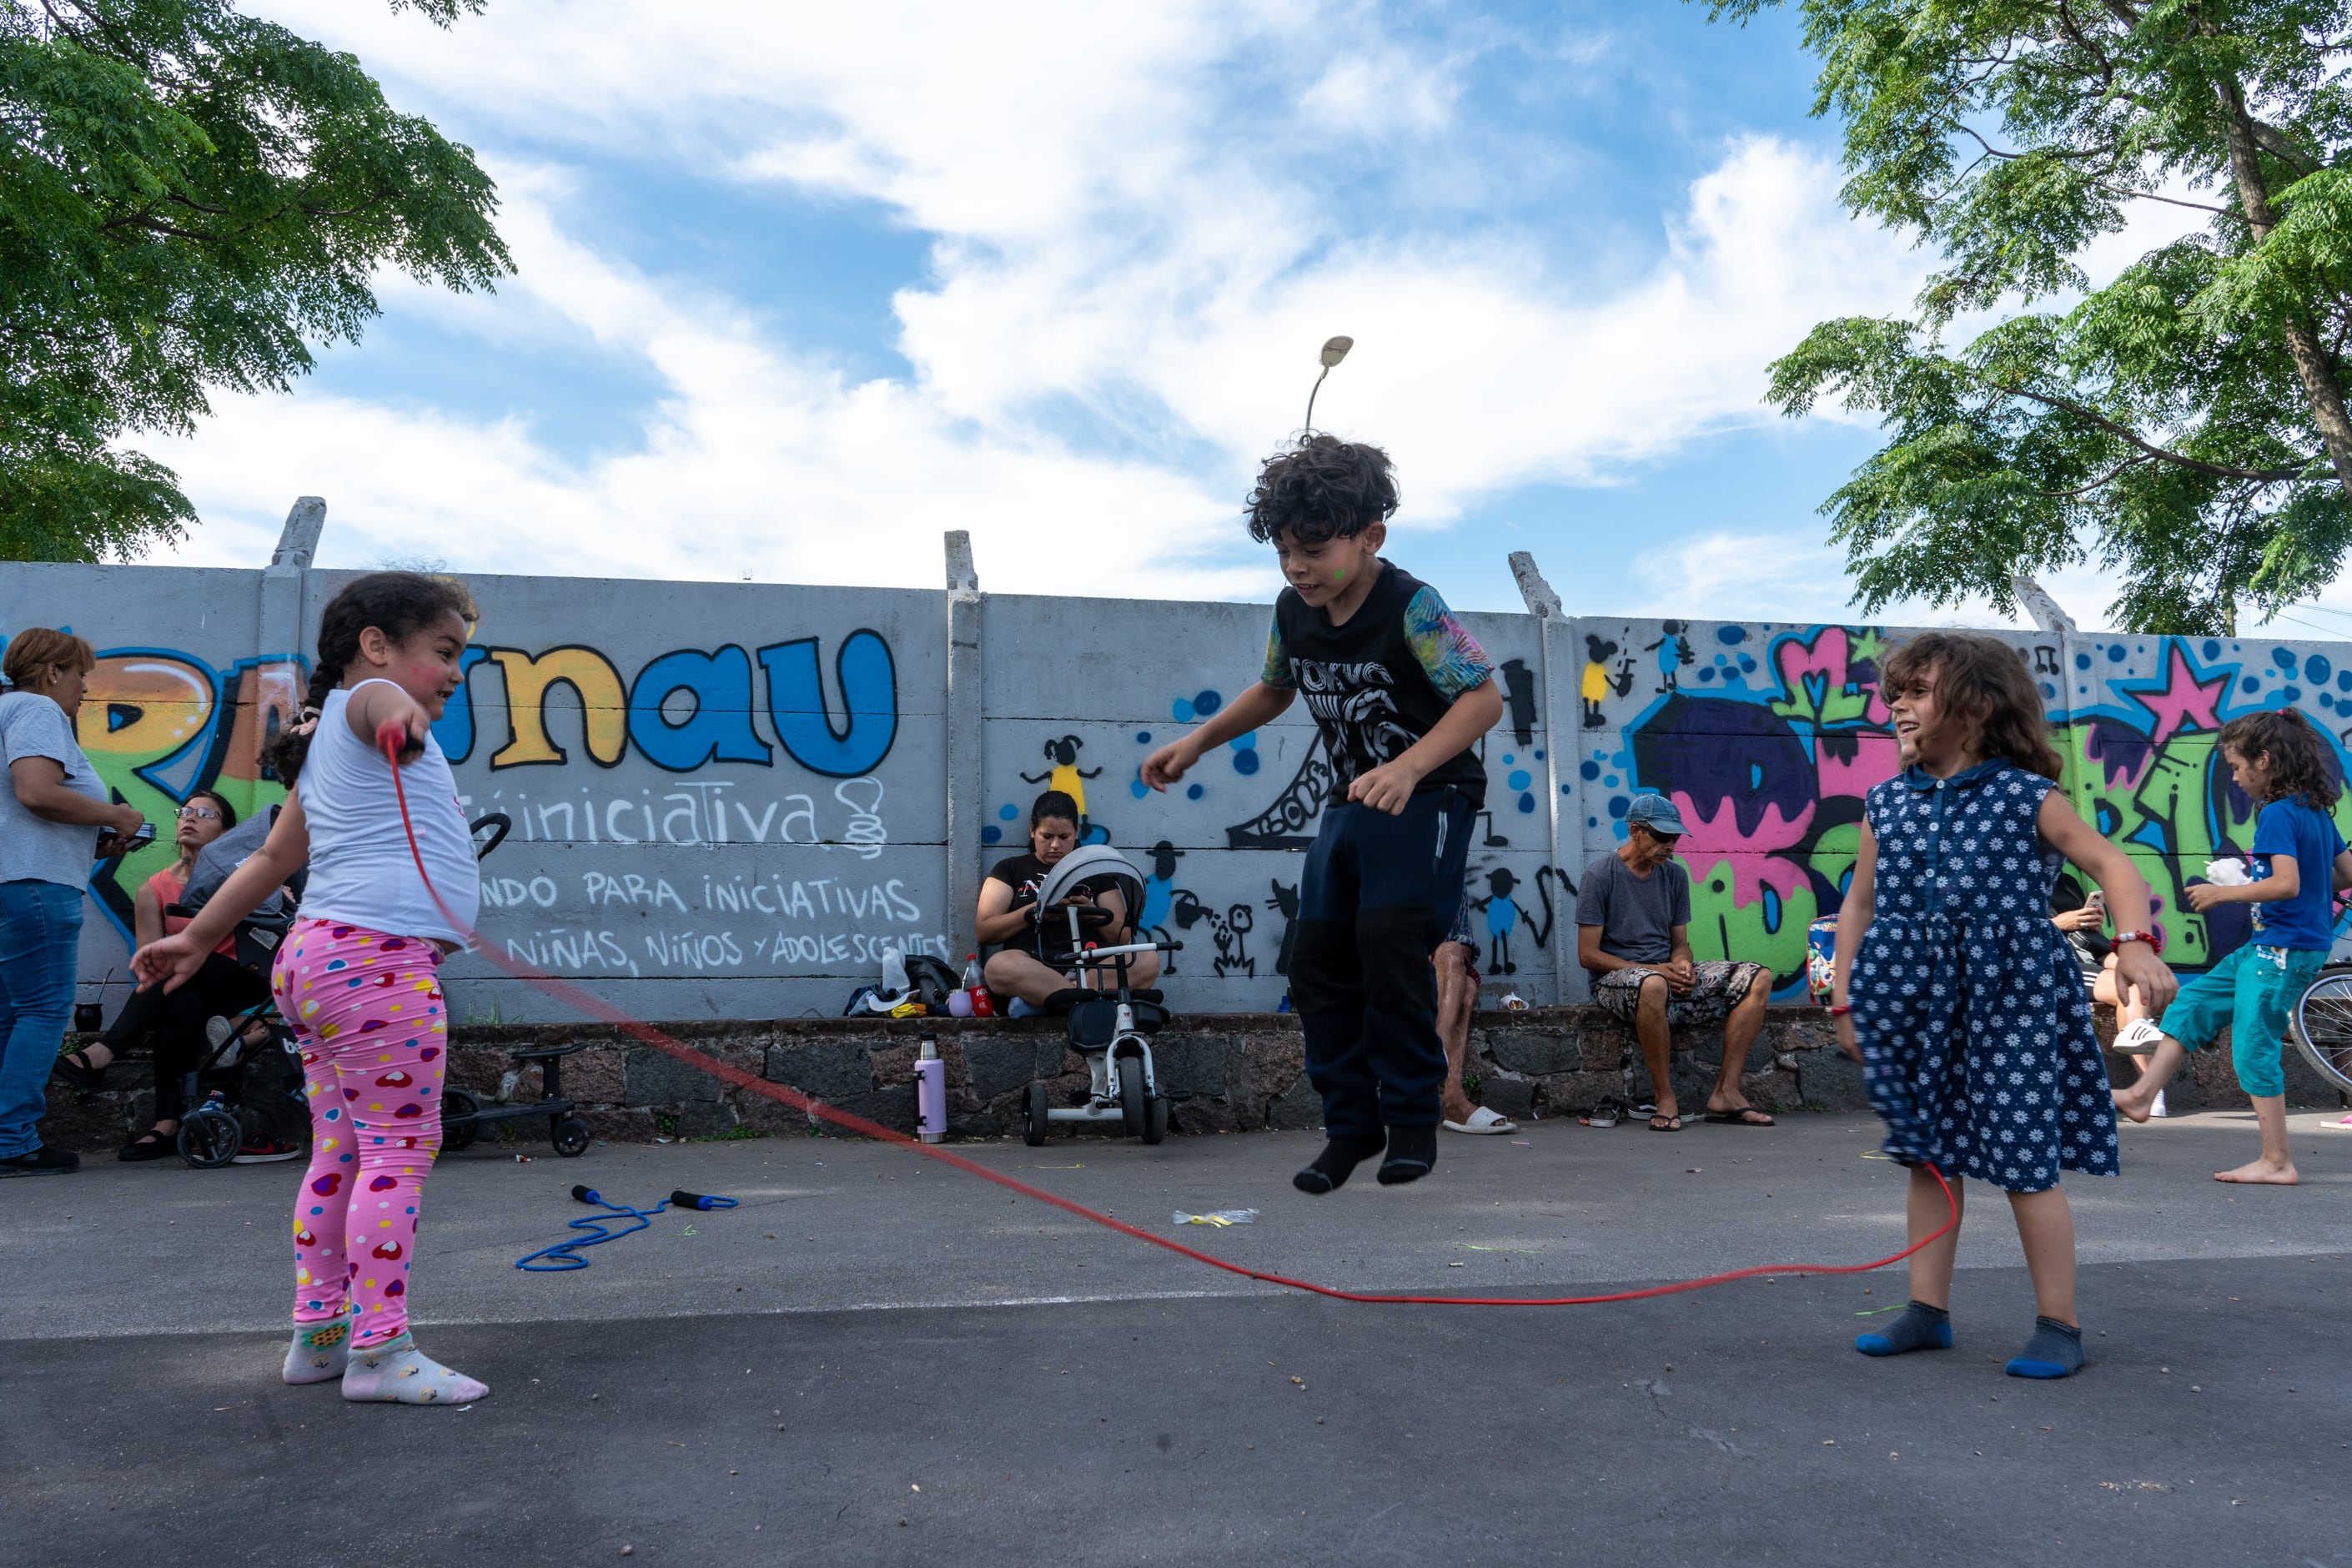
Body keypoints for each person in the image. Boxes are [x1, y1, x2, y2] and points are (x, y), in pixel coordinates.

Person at [134, 571, 489, 1405]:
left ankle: (320, 1333)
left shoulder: (328, 738)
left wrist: (196, 931)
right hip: (376, 964)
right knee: (398, 1153)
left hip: (319, 959)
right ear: (376, 644)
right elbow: (380, 705)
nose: (455, 671)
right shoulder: (370, 704)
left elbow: (270, 857)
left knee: (343, 1151)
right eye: (444, 652)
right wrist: (398, 716)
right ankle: (380, 1352)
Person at [1143, 434, 1504, 1194]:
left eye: (1312, 550)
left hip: (1429, 795)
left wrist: (1409, 765)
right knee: (1315, 960)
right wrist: (1199, 741)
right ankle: (1351, 1125)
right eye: (1282, 552)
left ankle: (1412, 1121)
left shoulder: (1412, 605)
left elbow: (1482, 698)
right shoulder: (1293, 610)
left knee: (1388, 939)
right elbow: (1276, 688)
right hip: (1353, 802)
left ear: (1371, 536)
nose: (1296, 568)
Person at [1831, 632, 2174, 1380]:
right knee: (1927, 1158)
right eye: (1895, 694)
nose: (1899, 706)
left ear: (1977, 706)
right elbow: (1859, 902)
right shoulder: (1885, 803)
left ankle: (2060, 1324)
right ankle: (1927, 1312)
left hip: (2011, 996)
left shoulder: (2025, 795)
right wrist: (1843, 991)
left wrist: (2135, 942)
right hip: (1914, 995)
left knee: (2024, 1161)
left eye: (1918, 691)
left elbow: (2112, 862)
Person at [2112, 709, 2352, 1185]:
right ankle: (2142, 1096)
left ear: (2265, 761)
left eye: (2238, 767)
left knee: (2252, 1047)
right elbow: (2346, 874)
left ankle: (2277, 1161)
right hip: (2271, 947)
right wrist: (2305, 889)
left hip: (2280, 951)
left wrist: (2223, 892)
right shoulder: (2312, 809)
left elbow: (2283, 884)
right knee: (2195, 1001)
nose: (2236, 779)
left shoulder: (2279, 813)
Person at [52, 789, 295, 1162]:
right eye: (186, 811)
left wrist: (276, 895)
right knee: (181, 1000)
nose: (191, 817)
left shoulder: (252, 877)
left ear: (228, 833)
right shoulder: (153, 889)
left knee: (183, 966)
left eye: (206, 814)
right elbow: (149, 963)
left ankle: (105, 1052)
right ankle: (167, 1123)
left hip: (243, 984)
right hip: (187, 985)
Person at [0, 630, 147, 1177]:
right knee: (41, 1013)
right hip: (35, 888)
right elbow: (36, 793)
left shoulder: (7, 710)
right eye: (81, 674)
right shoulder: (38, 709)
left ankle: (6, 1134)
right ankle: (12, 1141)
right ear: (54, 671)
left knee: (10, 1016)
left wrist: (92, 841)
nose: (85, 688)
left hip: (14, 883)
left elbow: (22, 816)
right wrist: (118, 817)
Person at [1576, 794, 1775, 1132]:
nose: (1671, 845)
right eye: (1662, 837)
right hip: (1616, 981)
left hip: (1663, 974)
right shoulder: (1600, 875)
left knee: (1757, 977)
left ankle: (1726, 1093)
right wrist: (1657, 971)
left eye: (1675, 838)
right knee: (1653, 984)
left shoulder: (1675, 876)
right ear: (1635, 831)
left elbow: (1680, 943)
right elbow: (1587, 955)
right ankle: (1665, 1096)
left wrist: (1682, 965)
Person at [977, 790, 1158, 1011]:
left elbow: (1123, 937)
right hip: (1033, 966)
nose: (1055, 845)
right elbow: (985, 930)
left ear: (1076, 832)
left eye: (1064, 837)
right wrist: (1035, 912)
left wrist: (1092, 914)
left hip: (1090, 968)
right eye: (1047, 836)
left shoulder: (1096, 873)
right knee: (998, 966)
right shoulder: (1010, 868)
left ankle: (1053, 1002)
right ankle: (1087, 1003)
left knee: (1147, 959)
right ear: (1032, 830)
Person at [2051, 879, 2171, 1116]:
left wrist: (2091, 923)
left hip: (2091, 950)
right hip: (2059, 963)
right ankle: (2150, 1088)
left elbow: (2087, 935)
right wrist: (2058, 924)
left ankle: (2137, 1031)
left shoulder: (2068, 881)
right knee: (2128, 984)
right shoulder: (2011, 879)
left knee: (2142, 972)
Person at [1438, 892, 1514, 1133]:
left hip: (1434, 974)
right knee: (1460, 976)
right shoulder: (1383, 868)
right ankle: (1452, 1099)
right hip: (1388, 968)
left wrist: (1447, 954)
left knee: (1465, 980)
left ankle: (1452, 1095)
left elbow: (1465, 943)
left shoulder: (1447, 879)